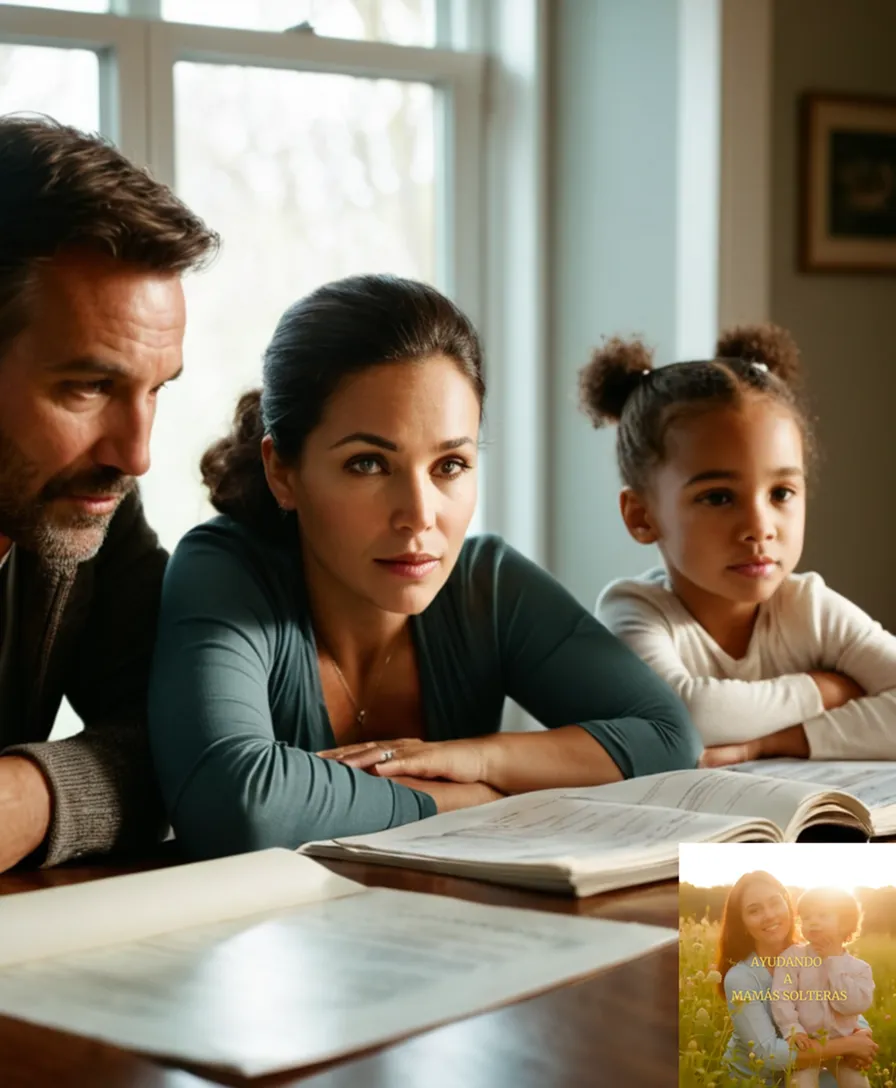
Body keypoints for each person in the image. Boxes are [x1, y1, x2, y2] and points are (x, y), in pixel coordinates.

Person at [147, 274, 700, 860]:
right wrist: (467, 802)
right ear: (282, 471)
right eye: (368, 464)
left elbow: (669, 739)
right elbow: (236, 806)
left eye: (450, 465)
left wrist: (476, 760)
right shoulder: (223, 571)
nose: (418, 515)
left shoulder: (486, 584)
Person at [0, 115, 218, 871]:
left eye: (156, 390)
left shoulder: (83, 504)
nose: (135, 456)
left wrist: (26, 797)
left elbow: (192, 745)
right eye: (90, 387)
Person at [585, 324, 896, 767]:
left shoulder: (810, 608)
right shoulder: (632, 611)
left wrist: (771, 743)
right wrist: (822, 689)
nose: (759, 528)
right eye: (718, 498)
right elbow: (685, 715)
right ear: (642, 516)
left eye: (781, 493)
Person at [716, 871, 877, 1085]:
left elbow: (842, 1006)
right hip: (757, 1079)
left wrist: (862, 1033)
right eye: (754, 910)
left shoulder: (815, 953)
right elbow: (769, 1054)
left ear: (788, 905)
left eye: (775, 903)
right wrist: (849, 1045)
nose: (769, 915)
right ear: (742, 923)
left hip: (812, 1064)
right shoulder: (741, 978)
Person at [771, 886, 874, 1088]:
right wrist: (792, 1030)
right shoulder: (792, 957)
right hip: (807, 1043)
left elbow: (852, 1006)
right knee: (801, 1084)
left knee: (858, 1083)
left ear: (845, 923)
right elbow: (781, 997)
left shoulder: (860, 969)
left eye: (822, 915)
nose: (813, 922)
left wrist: (833, 962)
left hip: (844, 1048)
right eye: (806, 917)